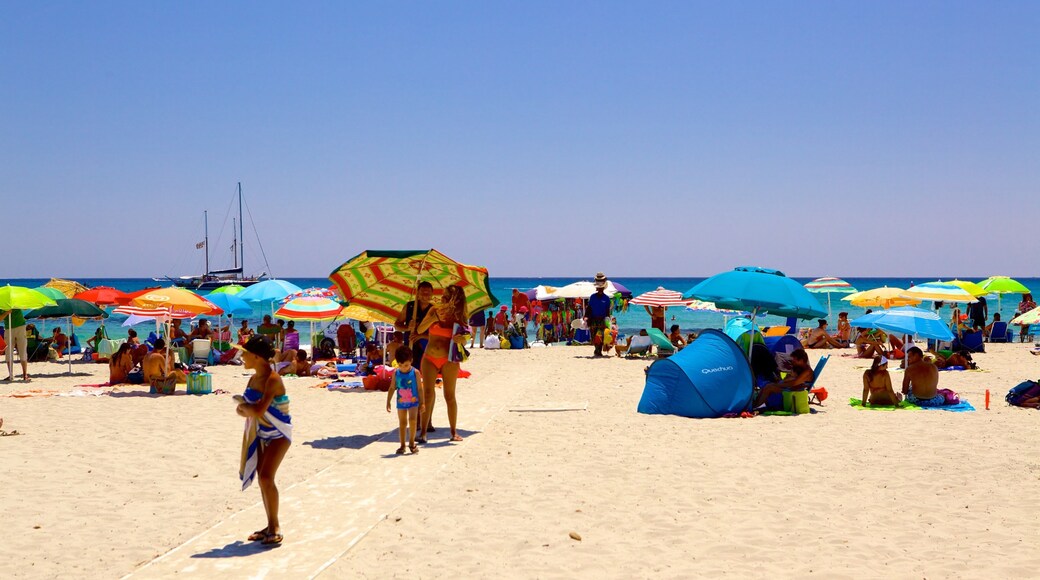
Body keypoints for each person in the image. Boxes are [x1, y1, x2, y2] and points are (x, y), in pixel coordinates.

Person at [234, 336, 292, 546]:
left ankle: (275, 527)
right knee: (263, 479)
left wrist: (246, 409)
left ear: (257, 357)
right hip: (261, 433)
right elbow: (251, 408)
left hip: (278, 434)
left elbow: (258, 409)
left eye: (245, 353)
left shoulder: (272, 379)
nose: (241, 356)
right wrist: (244, 409)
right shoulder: (253, 378)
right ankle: (269, 525)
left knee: (267, 478)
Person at [416, 284, 469, 444]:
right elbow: (420, 330)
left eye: (446, 297)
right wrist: (433, 318)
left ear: (454, 300)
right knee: (428, 394)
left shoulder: (459, 316)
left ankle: (453, 432)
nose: (442, 299)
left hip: (449, 359)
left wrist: (464, 339)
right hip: (430, 357)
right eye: (443, 296)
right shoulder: (434, 310)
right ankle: (423, 432)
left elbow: (466, 335)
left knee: (449, 395)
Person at [386, 345, 425, 455]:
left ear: (411, 361)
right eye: (401, 365)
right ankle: (402, 445)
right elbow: (392, 387)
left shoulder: (415, 373)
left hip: (413, 402)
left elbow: (420, 389)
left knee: (413, 421)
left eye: (406, 365)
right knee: (402, 423)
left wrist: (422, 402)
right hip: (401, 402)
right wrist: (388, 401)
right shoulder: (396, 373)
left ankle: (412, 443)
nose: (403, 368)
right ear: (397, 363)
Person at [394, 281, 434, 368]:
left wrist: (421, 336)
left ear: (432, 295)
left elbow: (437, 335)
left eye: (428, 293)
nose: (425, 296)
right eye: (422, 293)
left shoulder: (434, 310)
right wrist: (407, 328)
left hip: (426, 348)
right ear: (418, 294)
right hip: (409, 346)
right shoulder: (410, 307)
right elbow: (397, 325)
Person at [587, 272, 613, 357]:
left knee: (601, 336)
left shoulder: (606, 299)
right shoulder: (592, 297)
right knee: (594, 336)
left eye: (601, 289)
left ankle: (599, 351)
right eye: (599, 289)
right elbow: (589, 308)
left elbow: (607, 311)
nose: (600, 290)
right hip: (593, 319)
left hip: (602, 320)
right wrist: (586, 318)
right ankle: (596, 350)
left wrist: (609, 322)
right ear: (597, 289)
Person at [1, 308, 30, 382]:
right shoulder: (1, 305)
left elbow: (25, 307)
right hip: (8, 328)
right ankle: (10, 374)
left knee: (22, 350)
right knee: (8, 352)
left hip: (20, 326)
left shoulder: (16, 300)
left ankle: (25, 374)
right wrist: (6, 313)